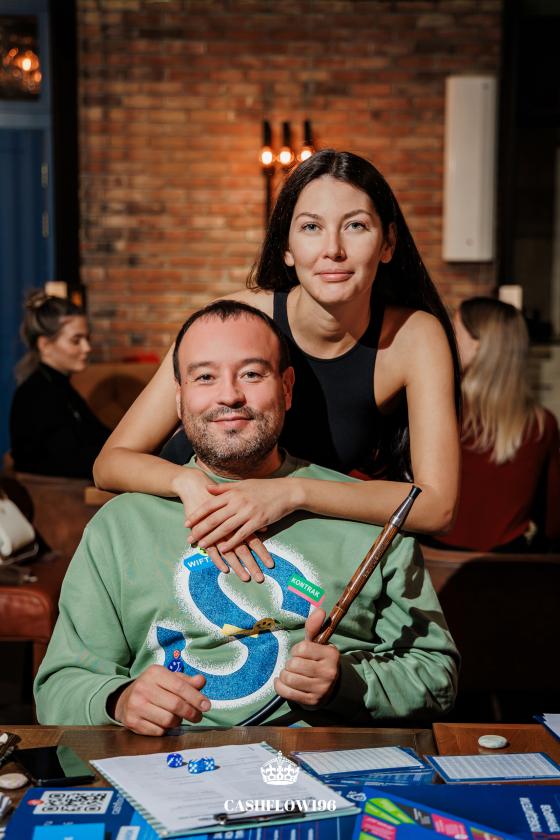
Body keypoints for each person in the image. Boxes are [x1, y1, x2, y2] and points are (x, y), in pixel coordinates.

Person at [34, 302, 458, 734]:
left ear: (287, 388)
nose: (230, 395)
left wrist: (347, 682)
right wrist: (120, 700)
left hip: (322, 761)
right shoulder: (121, 526)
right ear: (179, 398)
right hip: (169, 761)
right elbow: (59, 689)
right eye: (205, 377)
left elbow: (437, 677)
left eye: (252, 374)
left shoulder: (367, 513)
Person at [93, 149, 461, 580]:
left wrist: (292, 493)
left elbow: (437, 506)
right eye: (311, 227)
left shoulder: (414, 337)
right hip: (202, 515)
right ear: (286, 248)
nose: (333, 250)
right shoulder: (240, 319)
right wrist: (186, 482)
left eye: (355, 226)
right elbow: (110, 463)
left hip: (292, 535)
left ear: (388, 243)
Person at [433, 297, 560, 552]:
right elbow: (552, 523)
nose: (446, 338)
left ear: (480, 346)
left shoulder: (439, 409)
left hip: (432, 562)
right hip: (505, 567)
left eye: (454, 330)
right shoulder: (541, 424)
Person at [9, 291, 110, 479]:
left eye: (87, 339)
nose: (87, 348)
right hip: (60, 493)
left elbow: (101, 438)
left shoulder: (59, 386)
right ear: (45, 345)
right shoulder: (36, 394)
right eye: (76, 340)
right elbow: (66, 460)